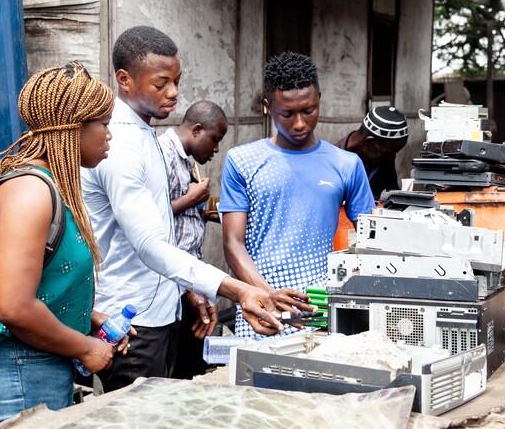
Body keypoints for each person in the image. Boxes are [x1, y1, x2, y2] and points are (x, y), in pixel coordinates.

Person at [81, 26, 307, 391]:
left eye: (176, 81)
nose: (173, 93)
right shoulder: (119, 145)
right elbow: (148, 244)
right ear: (124, 79)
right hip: (133, 322)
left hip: (160, 312)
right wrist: (237, 290)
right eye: (161, 83)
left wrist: (188, 289)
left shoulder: (143, 133)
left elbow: (163, 235)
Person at [0, 62, 123, 428]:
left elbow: (33, 287)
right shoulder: (31, 191)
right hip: (14, 375)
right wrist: (87, 347)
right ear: (74, 127)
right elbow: (12, 307)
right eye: (104, 124)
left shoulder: (49, 186)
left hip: (32, 370)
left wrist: (88, 318)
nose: (110, 136)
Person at [219, 52, 375, 338]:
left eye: (309, 110)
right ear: (268, 107)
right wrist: (268, 296)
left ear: (319, 99)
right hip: (261, 314)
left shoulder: (346, 164)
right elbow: (232, 243)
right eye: (287, 114)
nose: (300, 123)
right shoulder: (242, 161)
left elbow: (371, 239)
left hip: (320, 309)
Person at [158, 100, 228, 379]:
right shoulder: (162, 154)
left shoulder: (186, 160)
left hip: (188, 280)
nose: (216, 149)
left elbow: (190, 212)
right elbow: (152, 216)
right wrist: (192, 198)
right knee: (170, 372)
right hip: (171, 283)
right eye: (215, 139)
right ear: (197, 130)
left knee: (193, 369)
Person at [336, 105, 409, 198]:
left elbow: (392, 192)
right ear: (369, 142)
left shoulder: (383, 157)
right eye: (387, 154)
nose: (392, 157)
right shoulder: (335, 162)